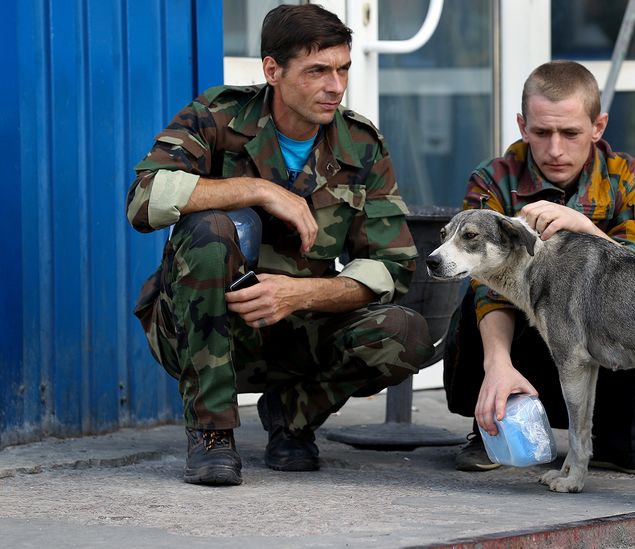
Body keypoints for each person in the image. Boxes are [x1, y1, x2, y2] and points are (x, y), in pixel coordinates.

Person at [126, 4, 433, 486]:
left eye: (343, 69)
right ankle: (212, 434)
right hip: (206, 325)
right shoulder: (218, 116)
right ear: (272, 70)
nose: (336, 86)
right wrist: (261, 190)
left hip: (298, 327)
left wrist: (299, 293)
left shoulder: (360, 144)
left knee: (407, 332)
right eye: (317, 71)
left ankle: (291, 420)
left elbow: (391, 267)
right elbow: (143, 200)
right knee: (207, 229)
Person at [443, 60, 635, 475]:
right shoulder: (494, 179)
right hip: (525, 347)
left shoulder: (624, 176)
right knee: (479, 301)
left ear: (598, 126)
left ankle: (620, 439)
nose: (554, 149)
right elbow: (483, 287)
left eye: (570, 133)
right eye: (541, 132)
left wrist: (586, 228)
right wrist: (496, 364)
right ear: (522, 125)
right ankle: (493, 425)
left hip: (607, 345)